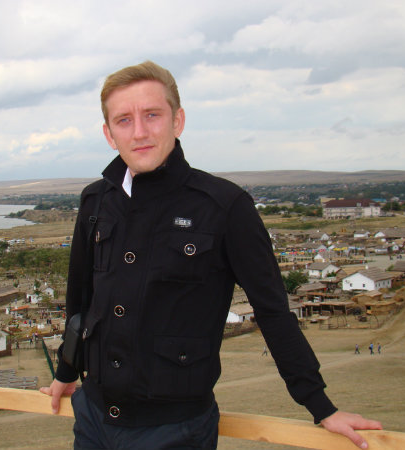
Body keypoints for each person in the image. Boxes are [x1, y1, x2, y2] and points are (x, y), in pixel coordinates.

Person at [40, 61, 382, 450]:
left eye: (152, 115)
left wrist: (321, 406)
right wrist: (67, 370)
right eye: (124, 120)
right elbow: (81, 299)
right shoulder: (95, 201)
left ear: (178, 121)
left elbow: (272, 312)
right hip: (93, 420)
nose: (139, 132)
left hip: (175, 431)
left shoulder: (224, 207)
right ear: (108, 134)